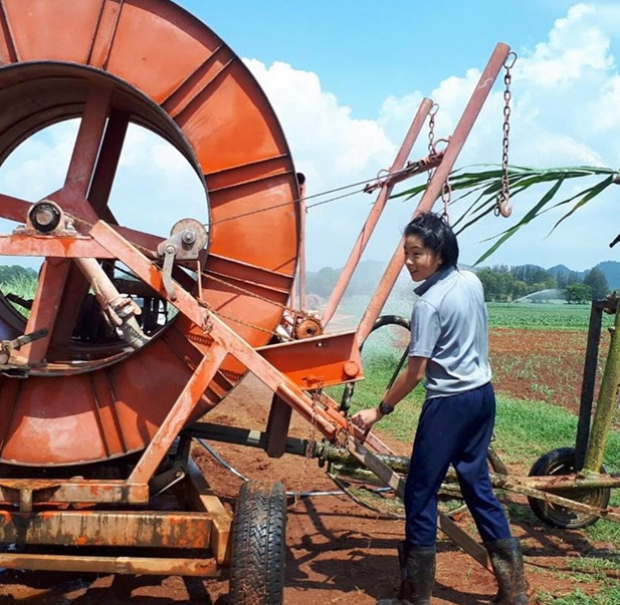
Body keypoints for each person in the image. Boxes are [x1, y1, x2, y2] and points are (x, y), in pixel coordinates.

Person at [351, 212, 531, 605]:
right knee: (477, 485)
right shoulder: (471, 281)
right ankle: (514, 590)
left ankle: (414, 598)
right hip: (482, 397)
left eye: (417, 253)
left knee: (420, 492)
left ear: (439, 253)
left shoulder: (428, 305)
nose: (410, 262)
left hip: (449, 405)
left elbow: (416, 372)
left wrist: (377, 411)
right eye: (406, 253)